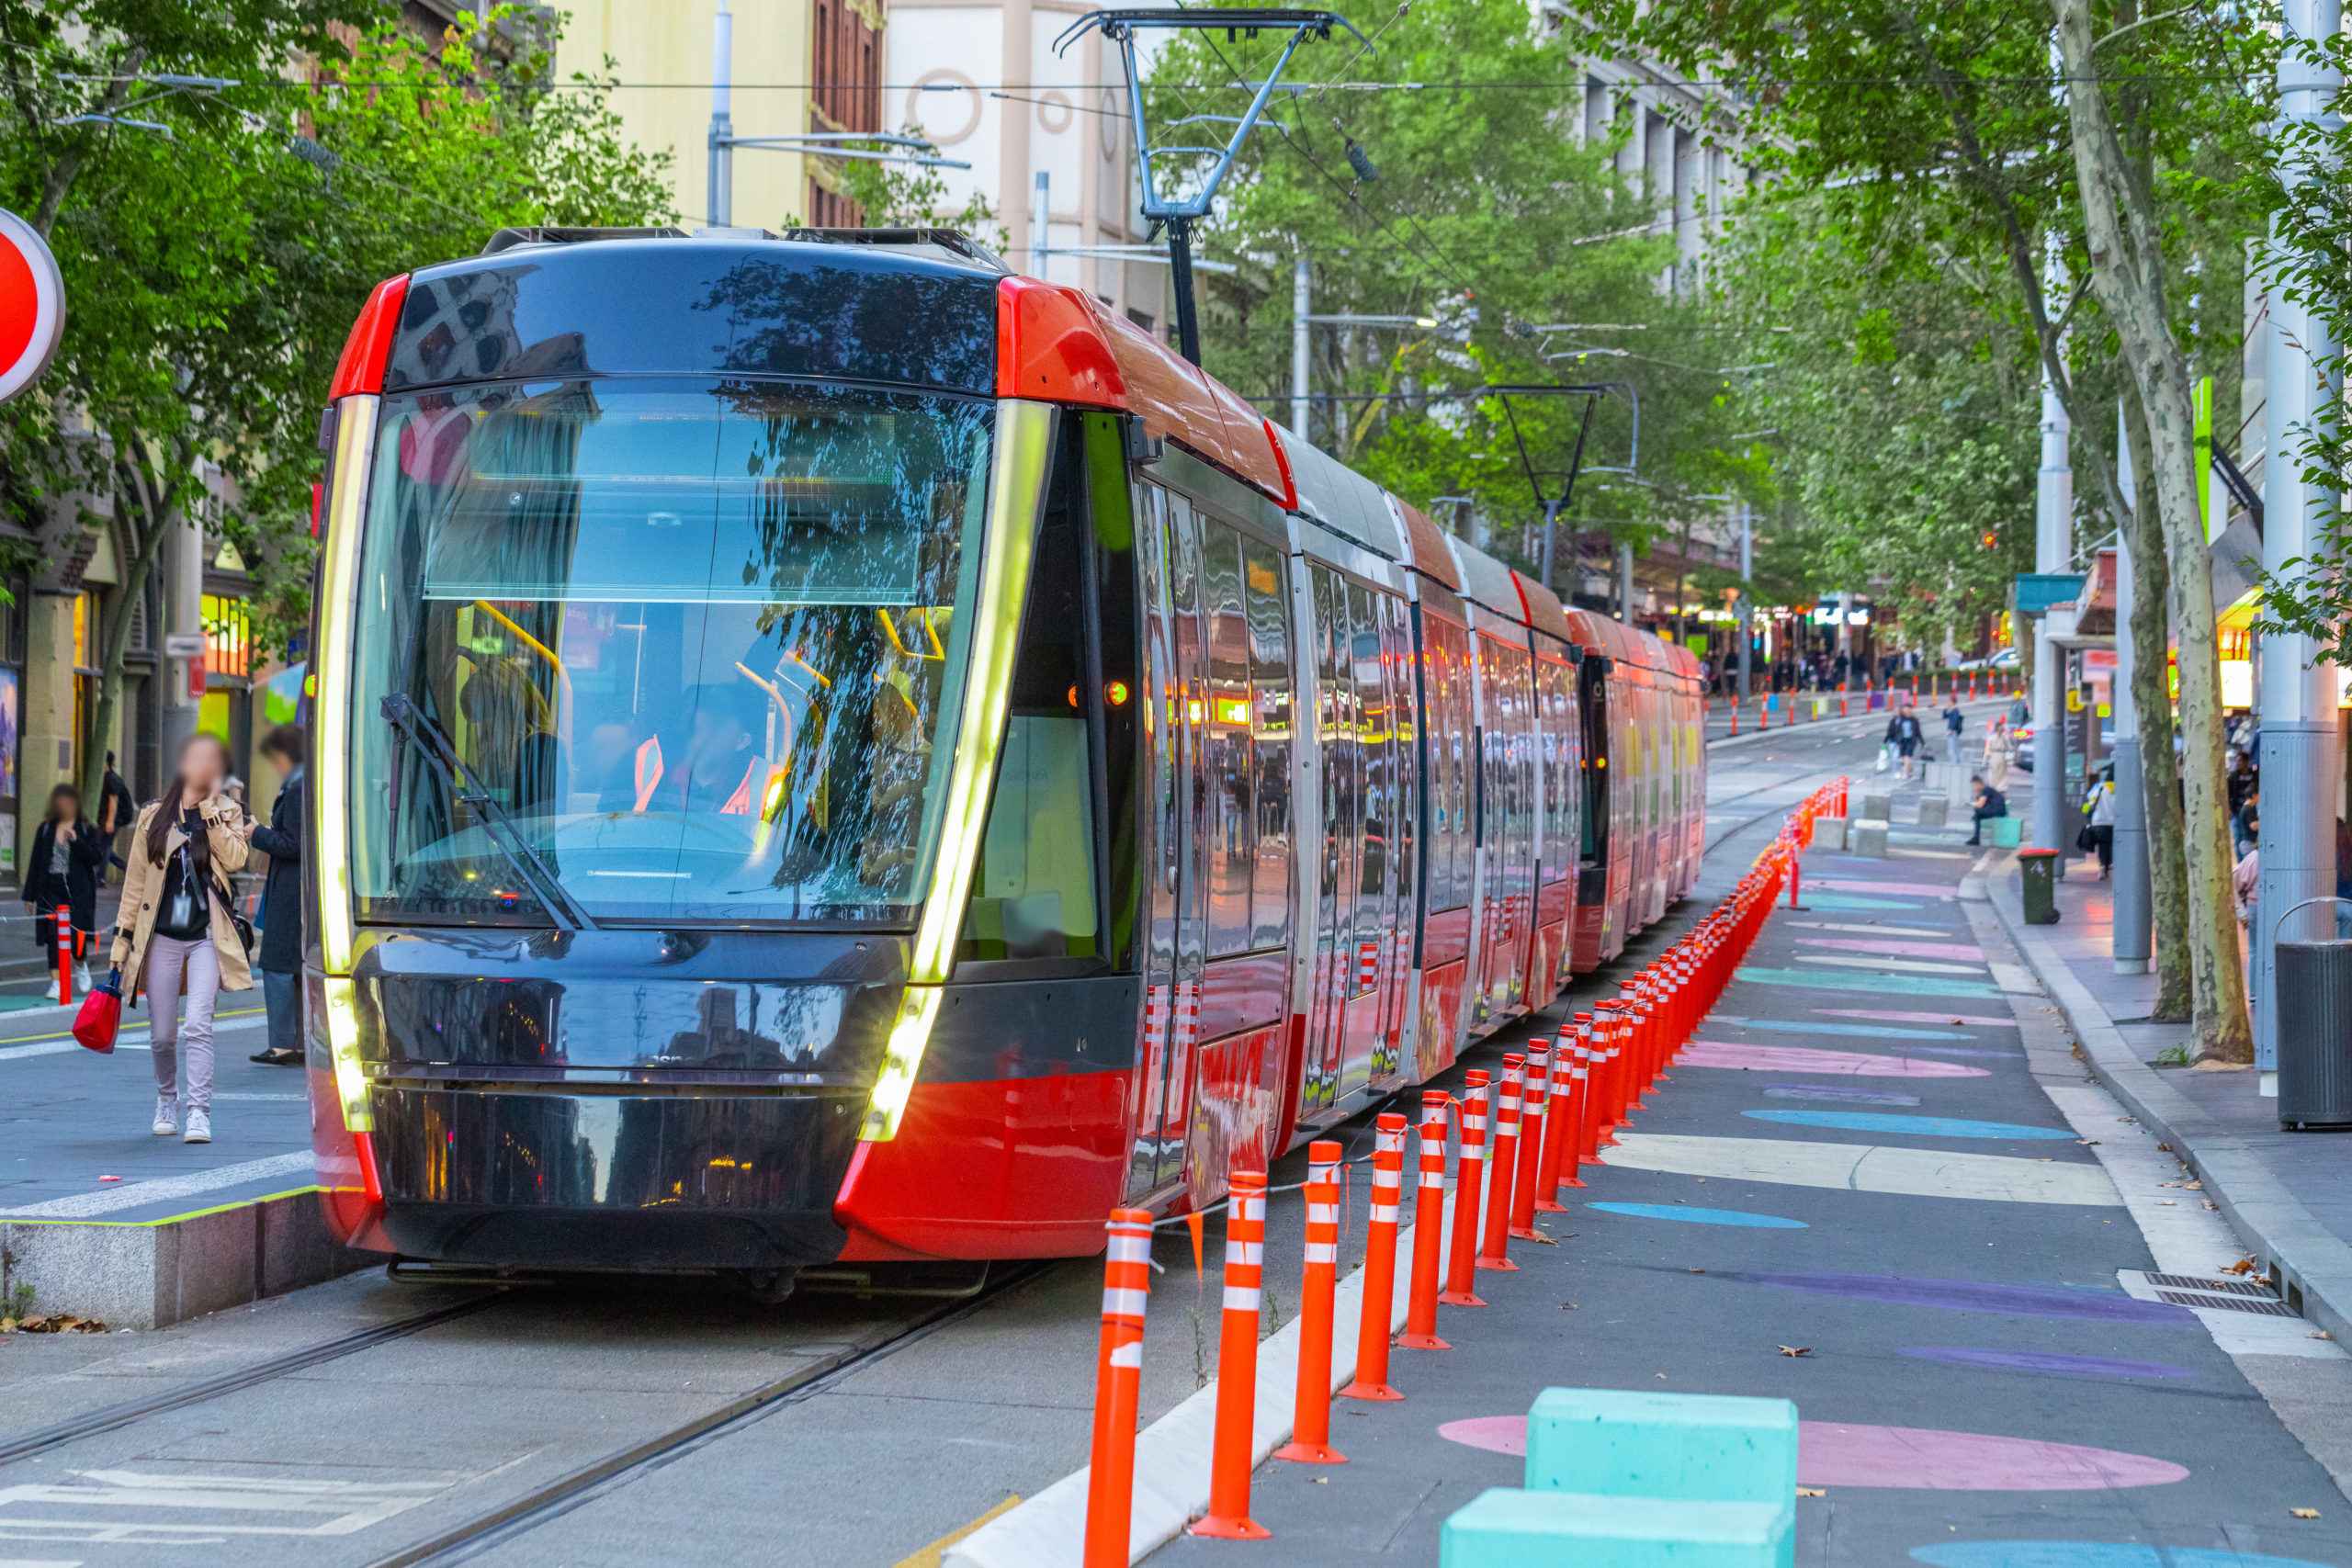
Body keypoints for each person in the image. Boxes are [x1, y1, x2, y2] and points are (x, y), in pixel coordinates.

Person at [110, 733, 253, 1144]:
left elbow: (238, 859)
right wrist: (121, 945)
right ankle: (166, 1100)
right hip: (163, 938)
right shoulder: (154, 815)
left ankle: (198, 1113)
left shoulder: (227, 810)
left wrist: (209, 811)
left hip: (208, 936)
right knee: (161, 1035)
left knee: (199, 1026)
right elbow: (134, 886)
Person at [246, 726, 305, 1067]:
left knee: (278, 964)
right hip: (293, 886)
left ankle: (283, 1044)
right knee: (290, 965)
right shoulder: (301, 783)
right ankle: (293, 1042)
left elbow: (292, 843)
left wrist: (257, 833)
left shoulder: (297, 788)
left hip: (290, 888)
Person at [25, 784, 105, 989]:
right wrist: (29, 896)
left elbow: (96, 858)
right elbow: (35, 863)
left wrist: (77, 841)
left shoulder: (85, 829)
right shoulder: (45, 829)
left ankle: (81, 965)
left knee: (76, 937)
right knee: (52, 934)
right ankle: (56, 982)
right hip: (50, 889)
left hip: (77, 892)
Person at [96, 751, 136, 873]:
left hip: (114, 818)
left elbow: (113, 801)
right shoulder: (110, 778)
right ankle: (127, 868)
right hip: (111, 818)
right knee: (102, 846)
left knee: (105, 846)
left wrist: (110, 821)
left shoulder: (112, 779)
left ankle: (101, 877)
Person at [2083, 772, 2117, 879]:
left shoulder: (2099, 789)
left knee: (2103, 846)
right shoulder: (2119, 789)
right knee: (2114, 845)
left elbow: (2091, 805)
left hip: (2100, 821)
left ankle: (2103, 867)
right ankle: (2112, 863)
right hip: (2115, 822)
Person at [1886, 704, 1925, 781]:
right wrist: (1895, 740)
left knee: (1907, 756)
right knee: (1902, 760)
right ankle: (1910, 771)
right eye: (1904, 709)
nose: (1904, 710)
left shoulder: (1914, 720)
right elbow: (1897, 730)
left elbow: (1918, 731)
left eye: (1906, 709)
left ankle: (1904, 773)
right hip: (1902, 741)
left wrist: (1922, 742)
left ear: (1910, 710)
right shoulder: (1901, 719)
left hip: (1911, 741)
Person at [1968, 774, 2008, 846]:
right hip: (1999, 811)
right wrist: (1977, 794)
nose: (1974, 788)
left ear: (1979, 783)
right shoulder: (1987, 789)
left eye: (1974, 786)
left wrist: (1969, 803)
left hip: (1997, 811)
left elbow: (1980, 805)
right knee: (1978, 815)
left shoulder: (1985, 789)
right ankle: (1976, 837)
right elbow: (1982, 804)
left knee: (1977, 812)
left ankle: (1976, 838)